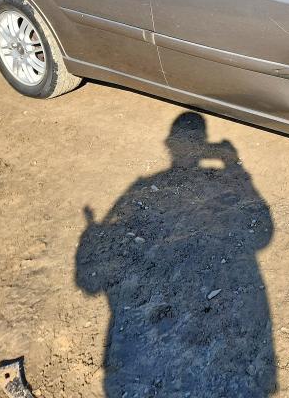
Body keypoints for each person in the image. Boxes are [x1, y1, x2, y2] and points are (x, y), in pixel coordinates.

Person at [76, 111, 276, 397]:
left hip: (140, 353)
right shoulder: (161, 186)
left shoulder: (142, 188)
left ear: (169, 144)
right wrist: (235, 167)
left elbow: (89, 282)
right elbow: (263, 235)